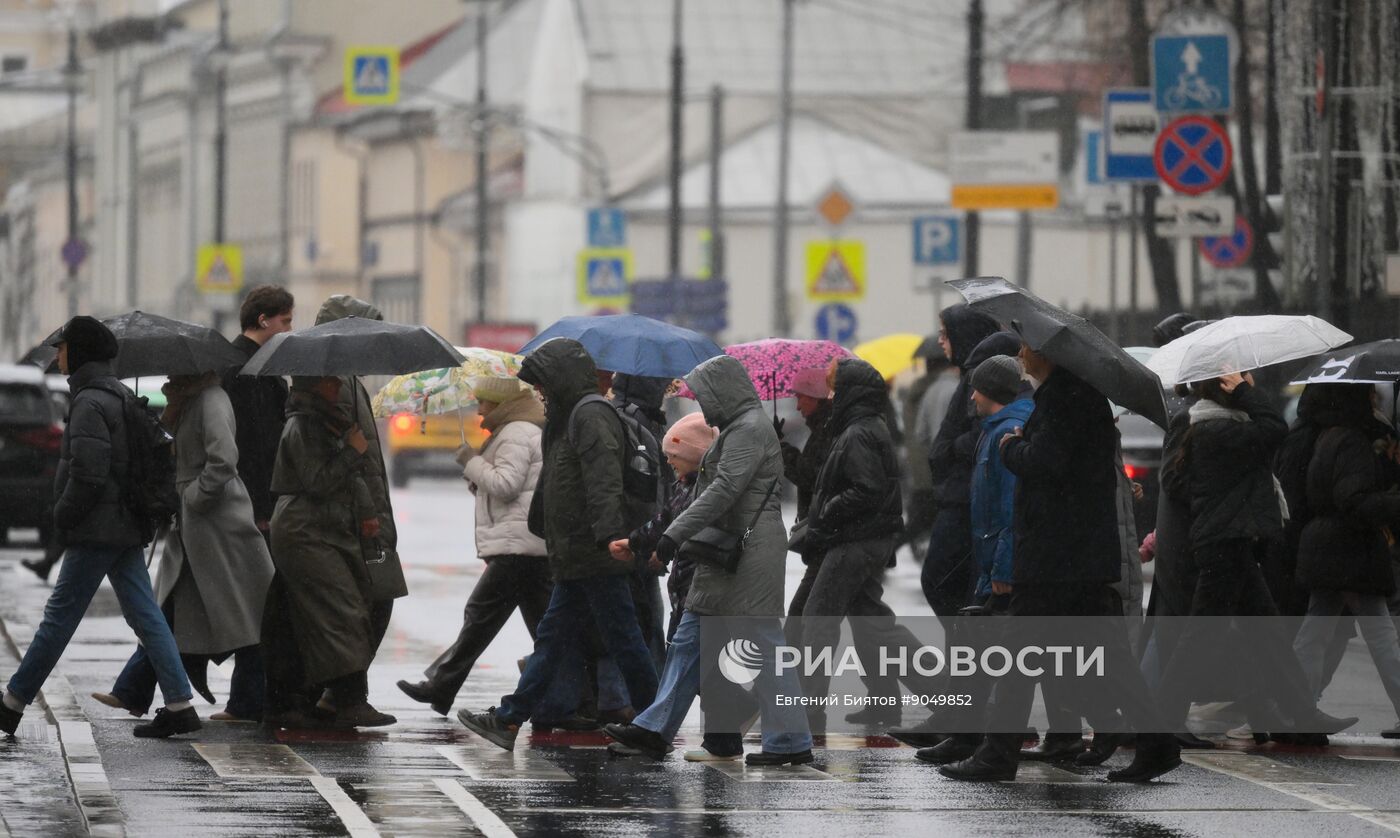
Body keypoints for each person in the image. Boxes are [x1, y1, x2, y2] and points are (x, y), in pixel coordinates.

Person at [939, 345, 1181, 784]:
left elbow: (1044, 462)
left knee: (1016, 654)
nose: (1020, 354)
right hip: (1075, 556)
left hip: (1057, 557)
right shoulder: (1071, 397)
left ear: (1048, 354)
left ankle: (997, 754)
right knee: (1110, 661)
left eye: (1026, 347)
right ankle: (1159, 743)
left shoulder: (1065, 400)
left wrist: (1013, 447)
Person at [602, 355, 812, 765]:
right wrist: (664, 536)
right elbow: (710, 493)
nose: (701, 404)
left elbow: (722, 491)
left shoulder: (748, 429)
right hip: (724, 549)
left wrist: (672, 536)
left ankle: (789, 742)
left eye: (705, 395)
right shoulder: (738, 428)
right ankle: (653, 729)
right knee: (687, 641)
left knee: (764, 648)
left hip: (747, 553)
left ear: (723, 391)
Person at [2, 317, 199, 739]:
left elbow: (89, 472)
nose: (57, 356)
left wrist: (64, 515)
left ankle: (12, 702)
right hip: (121, 523)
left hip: (98, 527)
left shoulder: (90, 402)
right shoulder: (117, 395)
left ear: (80, 352)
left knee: (59, 618)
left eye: (63, 348)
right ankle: (180, 703)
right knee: (146, 615)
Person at [456, 338, 658, 750]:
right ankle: (509, 718)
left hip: (595, 552)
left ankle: (656, 720)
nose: (540, 395)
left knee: (624, 641)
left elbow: (603, 479)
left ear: (561, 380)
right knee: (555, 639)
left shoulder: (590, 415)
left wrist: (608, 537)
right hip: (574, 554)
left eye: (544, 387)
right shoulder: (568, 417)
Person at [1157, 371, 1357, 744]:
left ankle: (1299, 716)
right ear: (1227, 389)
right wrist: (1249, 393)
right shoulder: (1218, 429)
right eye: (1241, 378)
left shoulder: (1219, 428)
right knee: (1201, 636)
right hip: (1224, 544)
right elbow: (1274, 428)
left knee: (1267, 636)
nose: (1249, 381)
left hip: (1234, 542)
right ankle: (1165, 721)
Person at [94, 372, 275, 722]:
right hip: (196, 527)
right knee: (177, 608)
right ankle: (135, 688)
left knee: (246, 612)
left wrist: (194, 496)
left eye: (177, 368)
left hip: (220, 525)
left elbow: (223, 459)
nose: (170, 373)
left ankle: (247, 701)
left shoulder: (211, 399)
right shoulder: (187, 401)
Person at [790, 358, 943, 732]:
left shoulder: (858, 432)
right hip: (859, 538)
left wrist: (824, 514)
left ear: (849, 391)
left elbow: (866, 489)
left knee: (816, 622)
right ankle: (941, 696)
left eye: (833, 388)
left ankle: (808, 715)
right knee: (873, 625)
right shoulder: (860, 426)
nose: (829, 395)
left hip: (854, 540)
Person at [397, 376, 551, 716]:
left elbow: (507, 484)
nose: (479, 411)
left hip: (517, 548)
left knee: (480, 617)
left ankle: (441, 685)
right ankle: (575, 696)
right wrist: (478, 478)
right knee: (544, 631)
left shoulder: (515, 434)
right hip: (525, 546)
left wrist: (471, 461)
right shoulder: (517, 432)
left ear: (502, 406)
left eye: (484, 403)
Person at [915, 354, 1033, 764]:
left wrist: (1001, 567)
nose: (972, 396)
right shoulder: (994, 429)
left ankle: (984, 745)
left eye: (976, 389)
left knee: (996, 657)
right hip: (990, 560)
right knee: (977, 649)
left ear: (989, 392)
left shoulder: (1010, 431)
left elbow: (1010, 509)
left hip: (1003, 566)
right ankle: (966, 736)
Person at [267, 375, 394, 728]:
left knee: (333, 611)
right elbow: (318, 481)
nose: (339, 388)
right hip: (305, 530)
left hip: (322, 528)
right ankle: (348, 700)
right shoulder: (302, 425)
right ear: (314, 386)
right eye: (331, 383)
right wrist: (353, 450)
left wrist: (367, 511)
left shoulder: (323, 419)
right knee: (343, 609)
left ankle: (325, 698)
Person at [1290, 384, 1400, 738]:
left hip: (1325, 546)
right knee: (1381, 636)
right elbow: (1352, 498)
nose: (1374, 400)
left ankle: (1298, 707)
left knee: (1313, 634)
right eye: (1368, 395)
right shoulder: (1352, 441)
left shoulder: (1327, 436)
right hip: (1350, 549)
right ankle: (1299, 707)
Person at [313, 296, 408, 692]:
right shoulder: (335, 386)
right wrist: (370, 516)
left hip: (367, 514)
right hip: (357, 518)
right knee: (367, 605)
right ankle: (343, 693)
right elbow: (351, 458)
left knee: (370, 603)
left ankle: (342, 693)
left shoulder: (350, 383)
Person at [922, 306, 1004, 617]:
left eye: (946, 333)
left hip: (964, 498)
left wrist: (950, 448)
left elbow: (979, 432)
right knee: (952, 582)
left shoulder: (980, 378)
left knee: (940, 580)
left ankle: (966, 644)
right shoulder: (968, 376)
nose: (941, 341)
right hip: (957, 495)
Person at [776, 367, 835, 522]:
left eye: (800, 397)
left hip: (825, 525)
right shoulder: (822, 426)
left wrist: (779, 448)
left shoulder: (828, 429)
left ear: (815, 397)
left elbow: (810, 476)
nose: (797, 406)